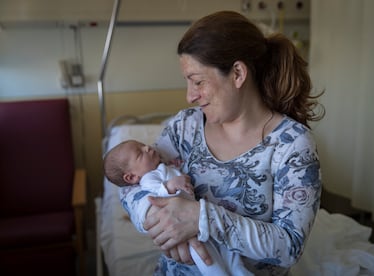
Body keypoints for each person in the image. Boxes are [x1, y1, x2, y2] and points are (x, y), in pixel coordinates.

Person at [120, 10, 325, 275]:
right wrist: (158, 220)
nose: (190, 96)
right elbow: (129, 183)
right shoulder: (186, 127)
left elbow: (289, 246)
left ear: (238, 73)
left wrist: (200, 219)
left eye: (198, 82)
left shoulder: (292, 145)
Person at [103, 139, 253, 276]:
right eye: (139, 153)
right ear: (131, 177)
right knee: (205, 257)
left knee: (227, 250)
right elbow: (155, 191)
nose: (147, 147)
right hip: (182, 229)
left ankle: (239, 271)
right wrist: (171, 185)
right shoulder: (148, 178)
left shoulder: (162, 166)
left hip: (198, 217)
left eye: (143, 145)